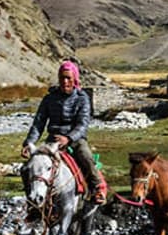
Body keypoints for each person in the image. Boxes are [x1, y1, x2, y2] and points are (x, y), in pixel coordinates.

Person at [20, 60, 107, 202]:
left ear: (75, 79)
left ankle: (98, 188)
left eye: (68, 78)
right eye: (62, 78)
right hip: (52, 141)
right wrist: (29, 143)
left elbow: (82, 124)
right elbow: (39, 123)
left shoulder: (82, 99)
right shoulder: (49, 99)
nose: (65, 81)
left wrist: (69, 138)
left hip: (75, 140)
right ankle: (32, 199)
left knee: (85, 156)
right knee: (27, 167)